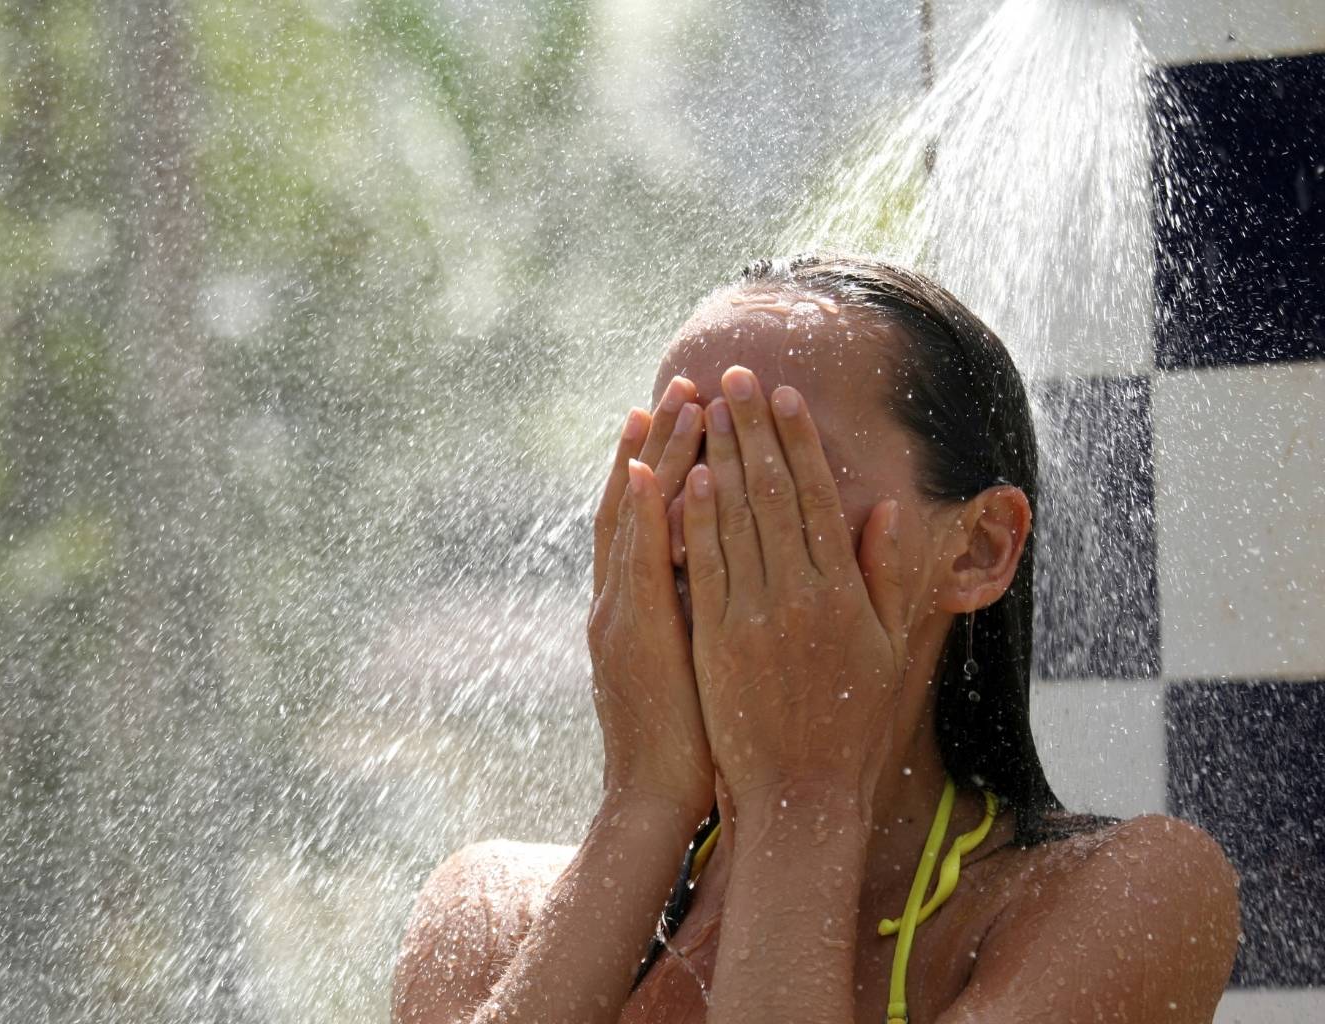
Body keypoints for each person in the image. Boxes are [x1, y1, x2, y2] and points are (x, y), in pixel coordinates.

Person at [389, 254, 1240, 1024]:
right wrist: (641, 798)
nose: (702, 521)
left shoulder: (1116, 897)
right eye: (677, 457)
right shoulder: (498, 912)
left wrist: (801, 794)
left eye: (776, 468)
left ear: (980, 549)